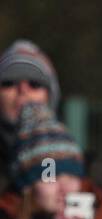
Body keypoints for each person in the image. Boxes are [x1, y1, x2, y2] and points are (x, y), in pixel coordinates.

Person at [0, 39, 60, 195]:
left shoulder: (78, 164)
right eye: (9, 82)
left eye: (34, 83)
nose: (22, 90)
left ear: (50, 96)